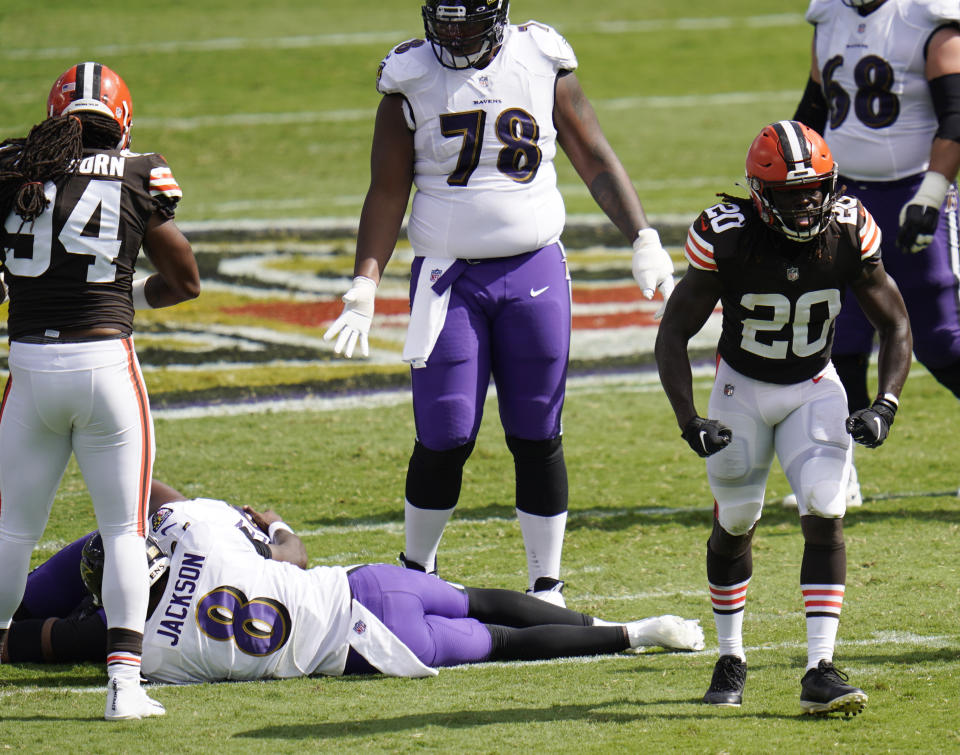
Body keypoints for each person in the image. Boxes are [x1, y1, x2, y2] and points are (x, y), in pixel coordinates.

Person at [323, 0, 675, 606]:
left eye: (468, 21)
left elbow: (591, 155)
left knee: (538, 428)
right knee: (445, 431)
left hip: (533, 268)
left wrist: (642, 236)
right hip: (445, 278)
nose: (454, 34)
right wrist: (366, 282)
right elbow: (386, 191)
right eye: (446, 20)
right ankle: (416, 574)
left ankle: (547, 582)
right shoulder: (408, 79)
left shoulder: (541, 57)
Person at [654, 120, 912, 716]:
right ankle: (731, 653)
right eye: (791, 193)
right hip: (741, 390)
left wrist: (885, 404)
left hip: (815, 388)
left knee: (826, 513)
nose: (806, 204)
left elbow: (895, 323)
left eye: (815, 189)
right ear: (760, 193)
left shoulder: (849, 231)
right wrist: (688, 417)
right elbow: (674, 331)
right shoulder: (727, 237)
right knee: (737, 519)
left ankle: (820, 668)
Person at [4, 481, 705, 676]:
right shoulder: (202, 543)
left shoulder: (144, 648)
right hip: (363, 584)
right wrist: (277, 527)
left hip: (364, 648)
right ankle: (612, 622)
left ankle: (631, 634)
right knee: (484, 600)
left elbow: (32, 641)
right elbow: (291, 557)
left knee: (499, 643)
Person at [0, 62, 201, 720]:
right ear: (121, 122)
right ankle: (123, 686)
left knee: (10, 532)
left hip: (29, 365)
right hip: (106, 363)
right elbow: (187, 277)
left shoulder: (10, 168)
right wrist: (131, 291)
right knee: (123, 528)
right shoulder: (141, 172)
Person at [793, 0, 960, 504]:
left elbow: (955, 114)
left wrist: (931, 194)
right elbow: (816, 108)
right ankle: (840, 470)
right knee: (836, 335)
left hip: (911, 192)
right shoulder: (827, 16)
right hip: (842, 197)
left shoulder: (928, 17)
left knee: (939, 338)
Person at [1, 482, 307, 666]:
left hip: (195, 572)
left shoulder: (223, 560)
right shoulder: (172, 518)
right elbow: (141, 484)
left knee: (67, 639)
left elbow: (296, 558)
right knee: (22, 600)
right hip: (176, 537)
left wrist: (277, 525)